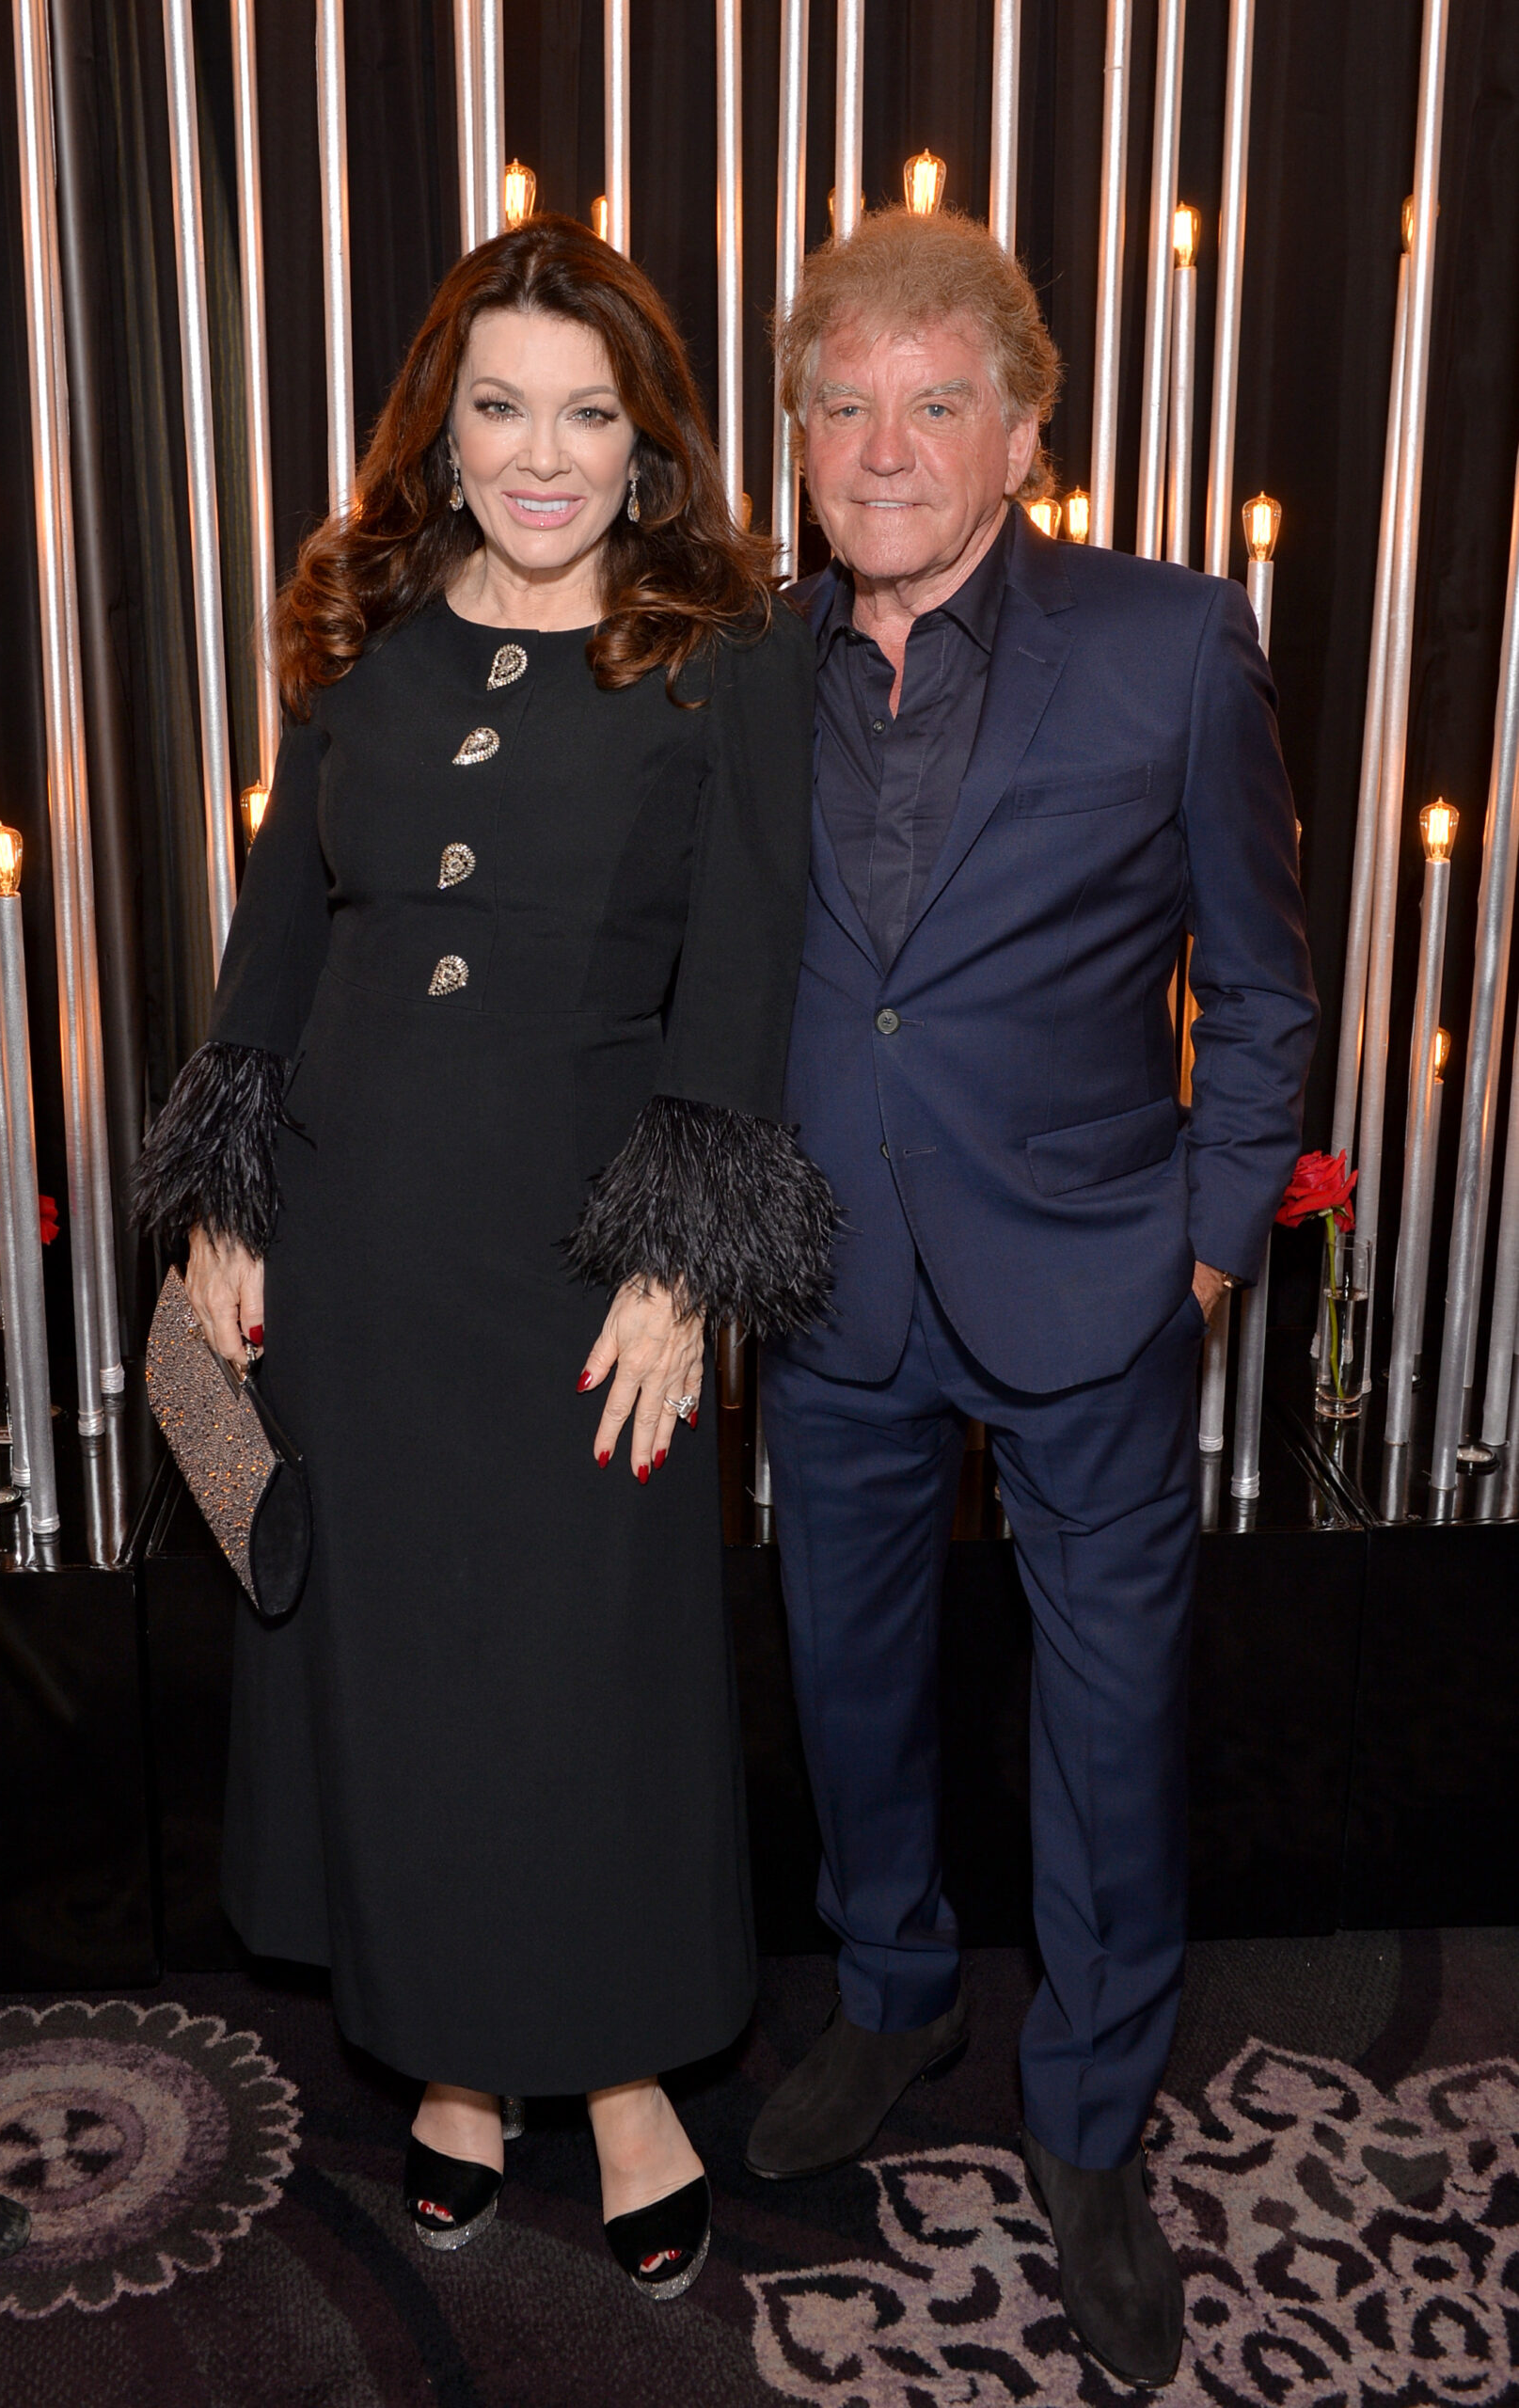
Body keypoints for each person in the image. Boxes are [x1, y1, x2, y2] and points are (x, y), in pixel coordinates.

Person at [134, 215, 832, 2301]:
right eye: (502, 408)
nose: (542, 455)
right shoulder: (360, 628)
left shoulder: (722, 654)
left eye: (587, 415)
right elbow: (278, 929)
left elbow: (748, 969)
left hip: (578, 1254)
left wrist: (680, 1259)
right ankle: (449, 2062)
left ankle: (618, 2074)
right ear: (441, 431)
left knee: (587, 1670)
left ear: (646, 441)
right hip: (353, 1243)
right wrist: (224, 1195)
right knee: (404, 1664)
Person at [745, 205, 1317, 2388]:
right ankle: (891, 1999)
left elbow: (1259, 987)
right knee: (848, 1692)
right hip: (831, 1286)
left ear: (1019, 432)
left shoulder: (1168, 645)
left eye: (933, 401)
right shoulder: (739, 671)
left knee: (1102, 1727)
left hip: (1091, 1285)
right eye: (842, 404)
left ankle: (1085, 2121)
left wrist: (1200, 1241)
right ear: (798, 435)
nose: (883, 446)